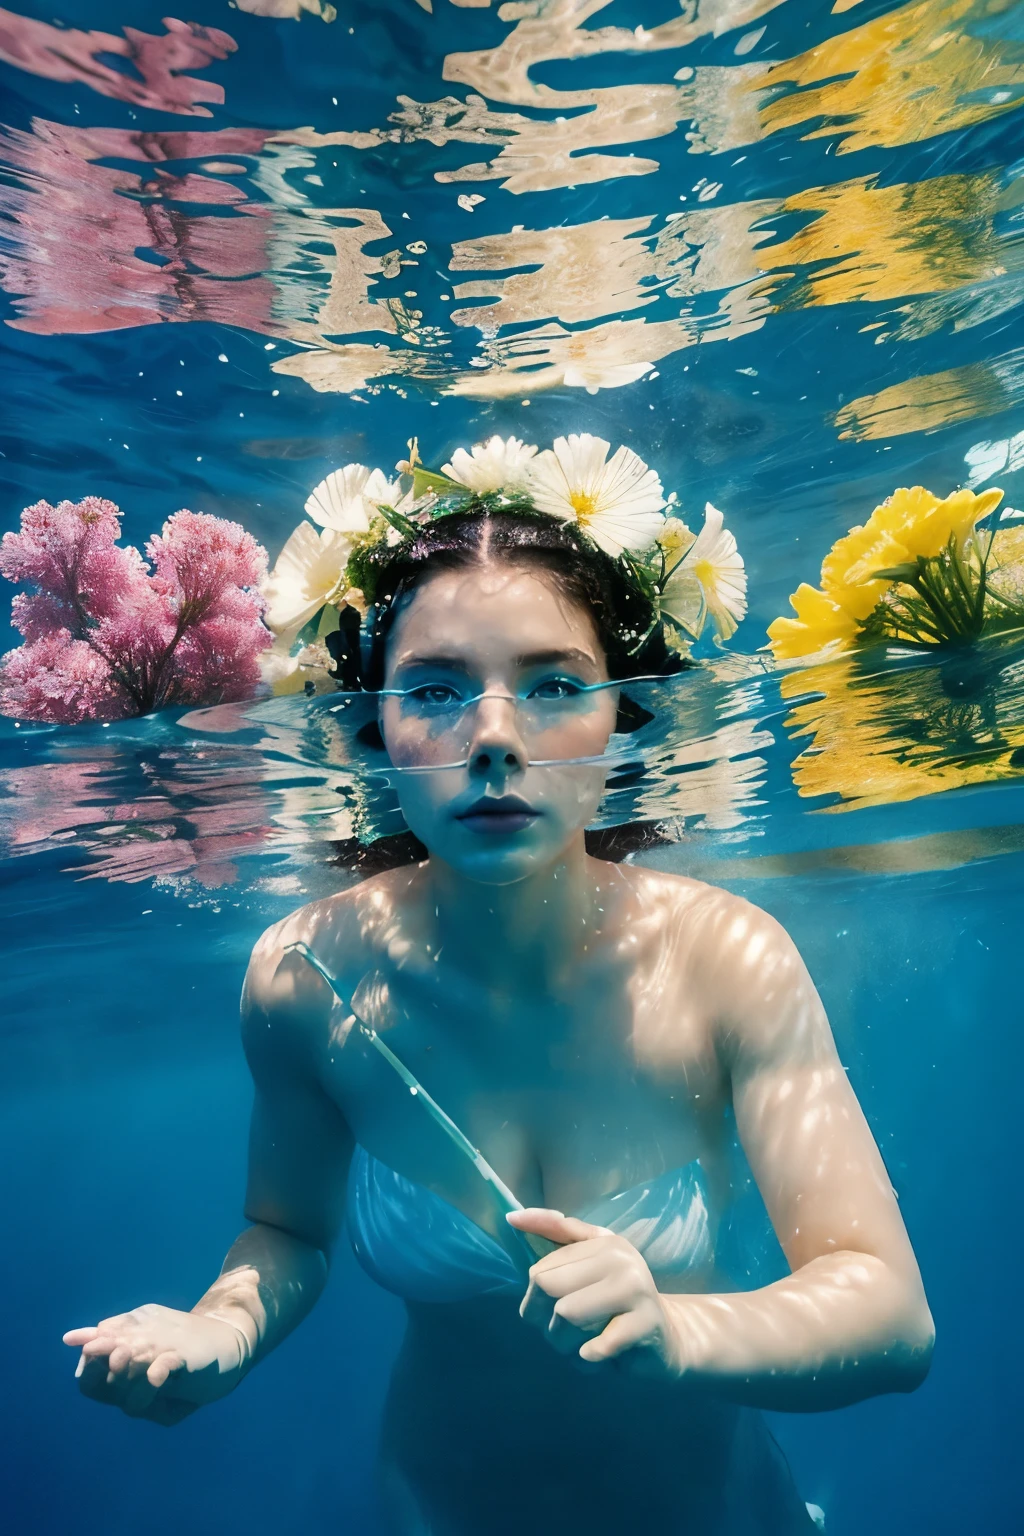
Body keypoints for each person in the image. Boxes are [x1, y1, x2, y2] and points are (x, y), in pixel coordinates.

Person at [64, 472, 934, 1535]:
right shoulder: (301, 976)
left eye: (556, 685)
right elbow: (284, 1231)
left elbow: (890, 1317)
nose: (494, 735)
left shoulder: (726, 958)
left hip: (714, 1507)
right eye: (432, 688)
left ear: (625, 712)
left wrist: (676, 1331)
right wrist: (221, 1330)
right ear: (372, 728)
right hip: (439, 1505)